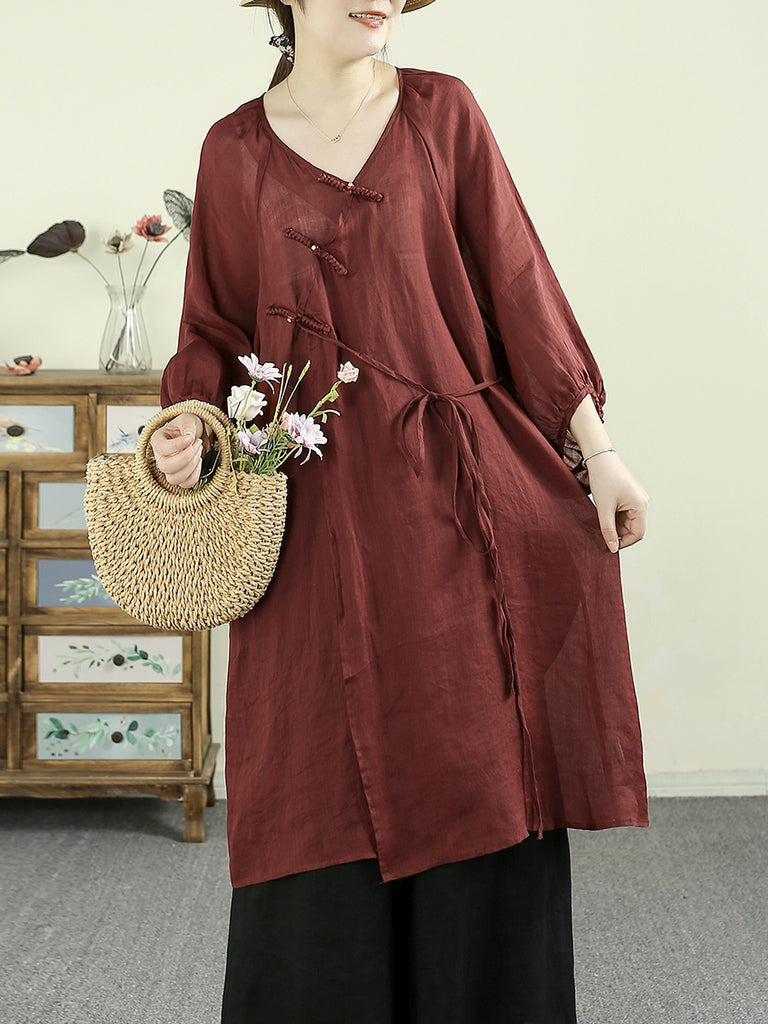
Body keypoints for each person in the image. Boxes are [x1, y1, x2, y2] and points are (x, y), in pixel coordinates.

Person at [151, 1, 650, 1020]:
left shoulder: (442, 112)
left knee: (477, 763)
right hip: (310, 526)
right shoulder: (233, 149)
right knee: (311, 777)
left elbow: (520, 286)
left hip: (456, 514)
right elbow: (213, 328)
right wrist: (189, 421)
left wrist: (598, 455)